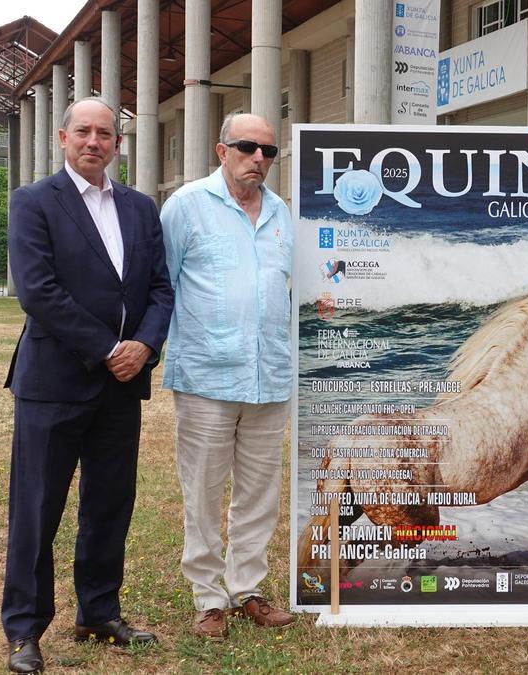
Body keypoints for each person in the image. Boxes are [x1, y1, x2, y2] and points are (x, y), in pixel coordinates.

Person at [2, 97, 173, 673]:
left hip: (122, 387)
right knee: (37, 510)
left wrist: (144, 346)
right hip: (53, 383)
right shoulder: (32, 202)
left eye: (105, 133)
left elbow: (160, 288)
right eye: (84, 132)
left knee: (109, 505)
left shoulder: (140, 208)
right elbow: (38, 291)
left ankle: (98, 613)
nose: (94, 141)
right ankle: (24, 630)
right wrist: (107, 350)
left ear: (118, 145)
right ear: (62, 137)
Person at [160, 113, 295, 639]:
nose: (258, 158)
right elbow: (161, 287)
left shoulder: (283, 214)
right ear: (222, 150)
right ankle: (207, 597)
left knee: (260, 493)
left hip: (269, 377)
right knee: (203, 491)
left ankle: (248, 590)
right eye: (247, 147)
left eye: (268, 151)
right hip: (206, 378)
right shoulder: (186, 207)